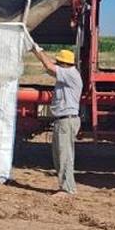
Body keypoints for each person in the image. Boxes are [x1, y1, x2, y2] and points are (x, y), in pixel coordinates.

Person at [30, 44, 82, 197]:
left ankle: (68, 189)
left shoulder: (70, 74)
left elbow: (49, 66)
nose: (57, 64)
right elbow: (48, 68)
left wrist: (36, 50)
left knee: (64, 154)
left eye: (59, 62)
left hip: (66, 120)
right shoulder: (68, 75)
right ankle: (65, 186)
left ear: (65, 64)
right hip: (64, 120)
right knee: (60, 154)